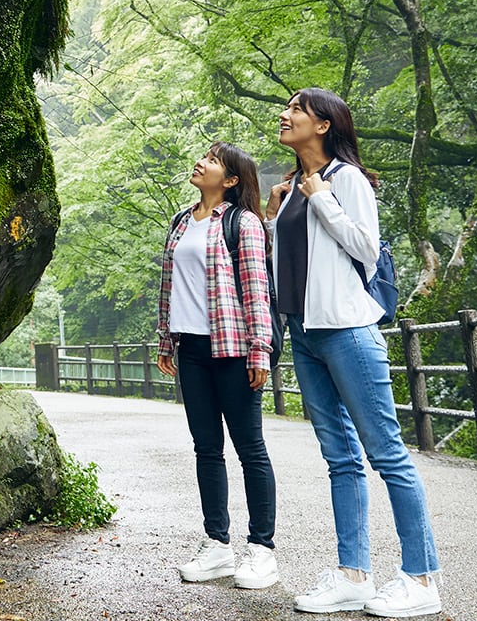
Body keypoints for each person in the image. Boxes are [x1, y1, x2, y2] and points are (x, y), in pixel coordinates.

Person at [266, 88, 442, 617]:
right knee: (339, 459)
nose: (285, 114)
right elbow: (294, 262)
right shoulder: (293, 186)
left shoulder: (346, 179)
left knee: (387, 453)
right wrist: (277, 215)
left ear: (323, 125)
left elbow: (366, 248)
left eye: (296, 109)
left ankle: (422, 578)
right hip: (306, 331)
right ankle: (353, 574)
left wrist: (320, 196)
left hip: (347, 330)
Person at [157, 141, 279, 590]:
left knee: (250, 449)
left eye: (211, 160)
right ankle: (217, 546)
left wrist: (259, 350)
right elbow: (169, 286)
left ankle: (262, 550)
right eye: (203, 156)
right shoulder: (180, 221)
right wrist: (166, 340)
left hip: (232, 348)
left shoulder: (243, 223)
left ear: (230, 180)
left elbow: (256, 291)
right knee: (206, 448)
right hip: (189, 347)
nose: (200, 162)